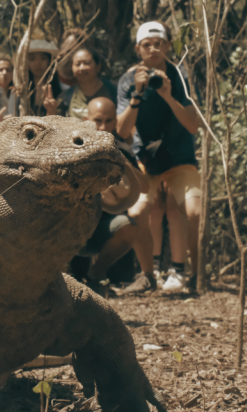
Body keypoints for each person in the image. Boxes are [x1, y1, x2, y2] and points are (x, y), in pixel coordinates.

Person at [116, 21, 202, 293]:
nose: (153, 49)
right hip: (146, 161)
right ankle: (148, 273)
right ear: (138, 49)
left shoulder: (181, 76)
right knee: (138, 211)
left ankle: (189, 274)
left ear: (167, 46)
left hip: (180, 158)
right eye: (146, 45)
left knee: (193, 212)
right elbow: (122, 131)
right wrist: (137, 95)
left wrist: (167, 94)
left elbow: (192, 125)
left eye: (158, 43)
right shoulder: (129, 80)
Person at [72, 97, 145, 297]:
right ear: (86, 119)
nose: (103, 127)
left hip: (102, 230)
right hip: (69, 230)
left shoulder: (121, 149)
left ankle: (97, 273)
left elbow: (144, 186)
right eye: (98, 120)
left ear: (115, 122)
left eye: (108, 121)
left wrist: (122, 161)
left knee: (128, 226)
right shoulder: (71, 147)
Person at [45, 47, 116, 119]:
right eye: (78, 64)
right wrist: (51, 111)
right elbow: (55, 125)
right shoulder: (65, 97)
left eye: (86, 63)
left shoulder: (113, 90)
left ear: (98, 66)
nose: (82, 68)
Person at [27, 39, 62, 116]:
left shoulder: (62, 91)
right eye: (32, 59)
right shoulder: (19, 90)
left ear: (50, 61)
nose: (38, 63)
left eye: (43, 58)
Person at [55, 28, 88, 92]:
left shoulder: (86, 79)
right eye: (67, 51)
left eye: (74, 52)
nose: (69, 56)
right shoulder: (50, 74)